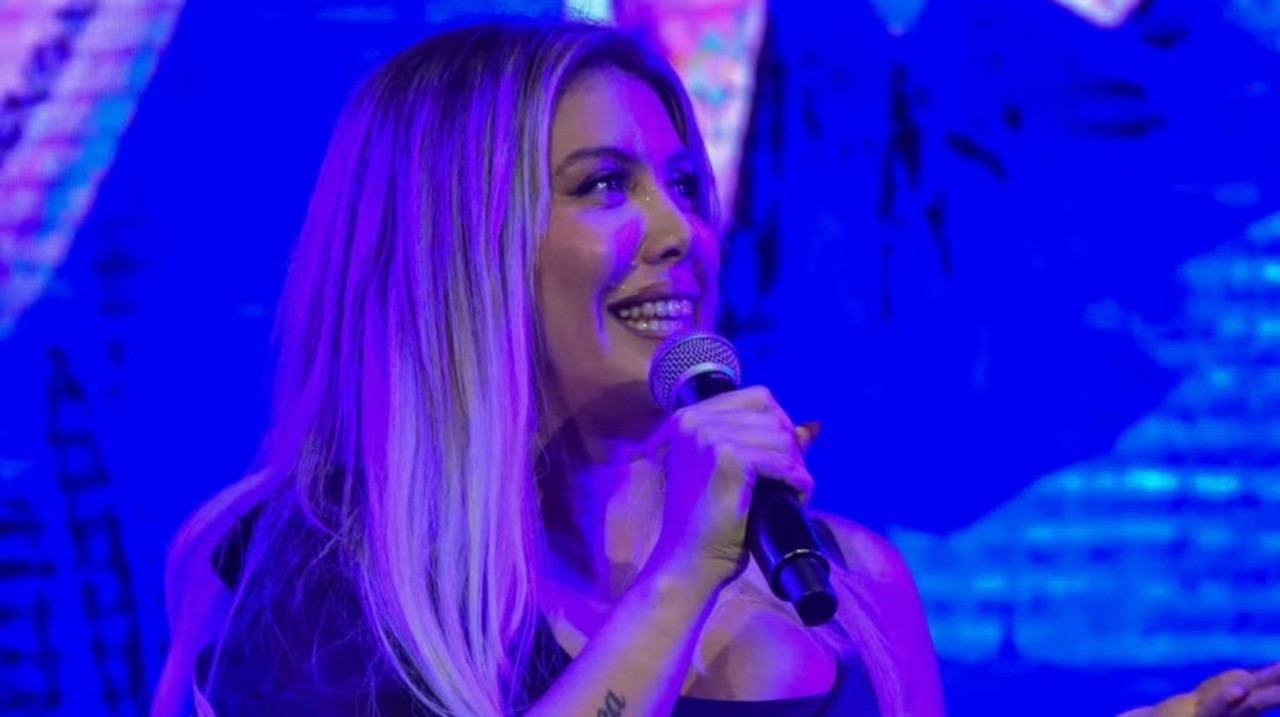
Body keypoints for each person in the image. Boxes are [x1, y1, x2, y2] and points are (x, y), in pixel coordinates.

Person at [150, 18, 1277, 717]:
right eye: (604, 186)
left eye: (684, 184)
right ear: (460, 248)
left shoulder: (843, 586)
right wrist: (682, 577)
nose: (680, 230)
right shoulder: (326, 570)